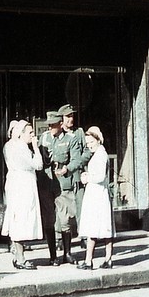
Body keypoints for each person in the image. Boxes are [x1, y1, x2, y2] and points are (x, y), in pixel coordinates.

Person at [49, 104, 91, 264]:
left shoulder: (79, 133)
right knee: (61, 210)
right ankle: (60, 238)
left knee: (80, 208)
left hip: (76, 177)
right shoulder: (57, 136)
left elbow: (86, 152)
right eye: (67, 117)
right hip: (62, 180)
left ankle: (83, 236)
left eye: (72, 116)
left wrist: (77, 164)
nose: (70, 119)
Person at [1, 119, 44, 270]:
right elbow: (38, 165)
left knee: (17, 218)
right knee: (21, 219)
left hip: (16, 184)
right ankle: (20, 258)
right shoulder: (20, 148)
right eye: (30, 132)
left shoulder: (10, 146)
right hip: (22, 186)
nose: (33, 135)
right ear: (21, 134)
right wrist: (36, 148)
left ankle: (18, 255)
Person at [77, 126, 115, 270]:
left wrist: (87, 178)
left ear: (98, 140)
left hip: (97, 194)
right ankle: (107, 258)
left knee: (96, 227)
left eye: (91, 142)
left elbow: (100, 177)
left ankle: (89, 261)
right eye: (87, 143)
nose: (89, 145)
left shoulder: (101, 155)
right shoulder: (99, 153)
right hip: (96, 193)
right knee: (103, 227)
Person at [36, 111, 64, 265]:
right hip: (46, 182)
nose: (51, 128)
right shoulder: (44, 138)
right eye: (49, 125)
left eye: (54, 125)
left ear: (60, 124)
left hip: (60, 181)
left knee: (62, 217)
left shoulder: (67, 138)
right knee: (49, 219)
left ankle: (66, 251)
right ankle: (53, 255)